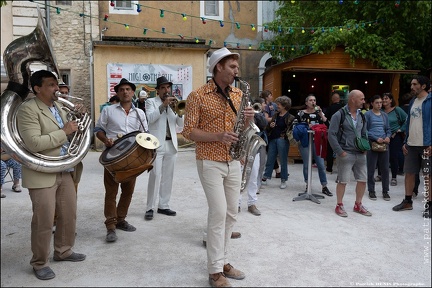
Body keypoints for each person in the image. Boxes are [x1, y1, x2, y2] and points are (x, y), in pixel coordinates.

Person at [181, 47, 253, 287]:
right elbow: (189, 132)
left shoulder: (238, 95)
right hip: (209, 159)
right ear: (218, 66)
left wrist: (248, 122)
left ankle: (222, 261)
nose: (236, 71)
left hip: (233, 160)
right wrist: (218, 136)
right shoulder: (197, 95)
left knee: (232, 212)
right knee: (219, 212)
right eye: (232, 67)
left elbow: (239, 131)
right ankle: (214, 271)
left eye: (236, 67)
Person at [16, 70, 85, 280]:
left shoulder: (61, 107)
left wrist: (79, 116)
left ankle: (63, 251)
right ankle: (39, 262)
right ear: (37, 88)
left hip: (65, 169)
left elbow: (76, 130)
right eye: (51, 85)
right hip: (42, 171)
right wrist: (64, 131)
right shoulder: (28, 110)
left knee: (68, 214)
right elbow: (34, 143)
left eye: (57, 84)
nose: (57, 88)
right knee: (44, 220)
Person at [95, 78, 149, 242]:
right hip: (112, 157)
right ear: (117, 93)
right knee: (111, 192)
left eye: (128, 89)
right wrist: (105, 140)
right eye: (122, 89)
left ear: (133, 93)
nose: (125, 92)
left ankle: (121, 219)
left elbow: (145, 135)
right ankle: (111, 226)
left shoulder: (140, 113)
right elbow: (98, 129)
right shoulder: (108, 110)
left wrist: (147, 158)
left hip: (132, 158)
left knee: (128, 191)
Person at [144, 76, 184, 220]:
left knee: (168, 177)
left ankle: (163, 205)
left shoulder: (174, 104)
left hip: (171, 144)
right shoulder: (150, 102)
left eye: (168, 88)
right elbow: (150, 119)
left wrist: (178, 111)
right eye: (163, 88)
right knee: (155, 175)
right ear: (158, 90)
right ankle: (149, 207)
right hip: (157, 144)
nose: (166, 90)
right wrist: (163, 106)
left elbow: (180, 124)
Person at [328, 89, 372, 217]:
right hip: (346, 152)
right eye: (362, 99)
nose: (364, 101)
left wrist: (365, 146)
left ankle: (358, 204)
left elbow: (364, 132)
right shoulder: (339, 115)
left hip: (360, 153)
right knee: (343, 181)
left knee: (363, 180)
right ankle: (339, 205)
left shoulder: (362, 115)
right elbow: (331, 134)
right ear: (353, 99)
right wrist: (339, 152)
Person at [393, 75, 431, 218]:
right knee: (409, 174)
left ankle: (430, 206)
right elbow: (409, 123)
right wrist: (405, 141)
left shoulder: (430, 101)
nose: (412, 87)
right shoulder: (413, 101)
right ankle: (408, 201)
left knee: (428, 176)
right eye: (411, 84)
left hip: (427, 145)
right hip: (411, 144)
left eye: (415, 84)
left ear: (423, 86)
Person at [295, 94, 332, 196]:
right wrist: (306, 126)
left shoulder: (319, 113)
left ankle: (324, 186)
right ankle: (308, 185)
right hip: (305, 142)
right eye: (310, 100)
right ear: (306, 103)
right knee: (307, 164)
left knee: (320, 164)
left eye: (314, 100)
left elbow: (328, 124)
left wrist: (321, 114)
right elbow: (295, 127)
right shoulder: (301, 114)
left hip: (318, 141)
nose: (313, 102)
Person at [238, 103, 267, 215]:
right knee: (238, 178)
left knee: (253, 177)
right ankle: (237, 204)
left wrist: (253, 115)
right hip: (240, 149)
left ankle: (252, 203)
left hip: (253, 148)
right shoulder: (236, 114)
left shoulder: (256, 114)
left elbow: (264, 125)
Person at [262, 96, 295, 189]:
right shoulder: (276, 115)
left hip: (282, 140)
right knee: (270, 159)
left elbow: (290, 131)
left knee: (283, 160)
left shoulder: (291, 117)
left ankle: (283, 179)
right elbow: (268, 128)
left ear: (284, 106)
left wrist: (285, 136)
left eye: (279, 104)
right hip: (273, 139)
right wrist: (271, 125)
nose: (277, 106)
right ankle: (266, 177)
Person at [375, 92, 407, 187]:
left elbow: (407, 119)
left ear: (391, 100)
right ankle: (380, 175)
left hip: (394, 136)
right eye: (383, 99)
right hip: (382, 137)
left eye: (386, 98)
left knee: (393, 156)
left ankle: (393, 177)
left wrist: (401, 129)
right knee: (380, 156)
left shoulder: (397, 110)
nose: (384, 100)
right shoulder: (380, 111)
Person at [364, 95, 391, 201]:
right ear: (372, 103)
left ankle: (385, 191)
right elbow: (365, 130)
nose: (379, 104)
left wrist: (388, 137)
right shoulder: (367, 115)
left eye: (380, 102)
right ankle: (371, 190)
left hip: (384, 143)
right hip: (372, 143)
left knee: (385, 168)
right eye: (377, 102)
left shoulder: (384, 115)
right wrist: (375, 138)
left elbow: (388, 129)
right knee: (371, 168)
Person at [260, 89, 281, 178]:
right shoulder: (264, 106)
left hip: (274, 130)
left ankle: (277, 171)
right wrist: (275, 119)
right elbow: (266, 119)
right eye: (270, 95)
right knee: (270, 151)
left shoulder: (274, 105)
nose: (272, 97)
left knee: (272, 152)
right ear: (266, 97)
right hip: (267, 131)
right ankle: (275, 172)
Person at [325, 92, 343, 173]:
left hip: (331, 131)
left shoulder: (330, 108)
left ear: (332, 100)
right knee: (341, 149)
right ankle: (341, 169)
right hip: (342, 131)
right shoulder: (343, 108)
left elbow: (325, 119)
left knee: (330, 150)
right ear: (339, 99)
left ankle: (329, 168)